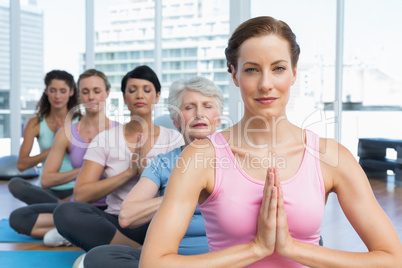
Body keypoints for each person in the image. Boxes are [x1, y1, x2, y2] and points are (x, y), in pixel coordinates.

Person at [139, 16, 402, 267]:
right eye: (252, 70)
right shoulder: (200, 157)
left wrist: (291, 248)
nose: (266, 84)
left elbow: (391, 259)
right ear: (234, 75)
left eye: (278, 68)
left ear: (294, 73)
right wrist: (255, 249)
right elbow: (153, 262)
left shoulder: (331, 156)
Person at [83, 76, 224, 268]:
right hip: (169, 262)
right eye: (189, 107)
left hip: (221, 260)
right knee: (98, 257)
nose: (199, 114)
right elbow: (127, 216)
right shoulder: (162, 163)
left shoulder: (234, 160)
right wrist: (188, 193)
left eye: (207, 106)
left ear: (218, 118)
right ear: (175, 120)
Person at [53, 65, 183, 253]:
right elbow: (81, 195)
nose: (139, 95)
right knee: (65, 213)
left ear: (157, 97)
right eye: (132, 90)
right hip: (118, 222)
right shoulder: (105, 139)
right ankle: (140, 252)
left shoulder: (173, 139)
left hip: (159, 221)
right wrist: (129, 173)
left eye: (147, 90)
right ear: (124, 98)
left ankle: (119, 252)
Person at [8, 69, 117, 246]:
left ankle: (70, 230)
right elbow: (46, 179)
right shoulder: (66, 133)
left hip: (108, 208)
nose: (91, 97)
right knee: (19, 217)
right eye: (85, 91)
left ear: (107, 93)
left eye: (97, 91)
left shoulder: (120, 131)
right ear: (79, 94)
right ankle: (74, 230)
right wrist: (88, 168)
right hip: (74, 205)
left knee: (75, 215)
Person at [8, 70, 81, 205]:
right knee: (15, 184)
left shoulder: (81, 121)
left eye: (62, 91)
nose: (57, 96)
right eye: (53, 90)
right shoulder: (35, 123)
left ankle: (53, 208)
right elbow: (22, 165)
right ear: (46, 91)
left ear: (71, 92)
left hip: (76, 187)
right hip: (46, 189)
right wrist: (56, 145)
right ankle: (61, 206)